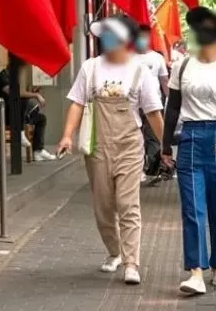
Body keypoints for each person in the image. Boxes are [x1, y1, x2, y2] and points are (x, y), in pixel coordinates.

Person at [57, 15, 164, 285]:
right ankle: (114, 251)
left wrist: (167, 147)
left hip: (129, 145)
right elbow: (77, 103)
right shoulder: (90, 68)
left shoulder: (140, 71)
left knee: (128, 204)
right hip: (97, 147)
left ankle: (131, 262)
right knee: (103, 207)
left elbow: (152, 113)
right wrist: (67, 136)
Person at [160, 6, 216, 295]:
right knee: (192, 209)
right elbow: (172, 108)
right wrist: (165, 145)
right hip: (191, 139)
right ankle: (195, 272)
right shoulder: (181, 66)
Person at [0, 62, 55, 161]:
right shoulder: (1, 78)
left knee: (41, 119)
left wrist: (32, 95)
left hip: (15, 116)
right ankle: (19, 133)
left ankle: (38, 151)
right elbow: (15, 93)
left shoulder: (12, 79)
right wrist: (35, 95)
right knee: (21, 101)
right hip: (2, 116)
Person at [134, 24, 169, 181]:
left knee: (153, 136)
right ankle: (138, 168)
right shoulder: (129, 58)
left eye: (144, 36)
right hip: (134, 104)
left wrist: (170, 101)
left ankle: (153, 168)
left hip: (154, 102)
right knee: (137, 136)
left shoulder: (157, 58)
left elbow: (164, 81)